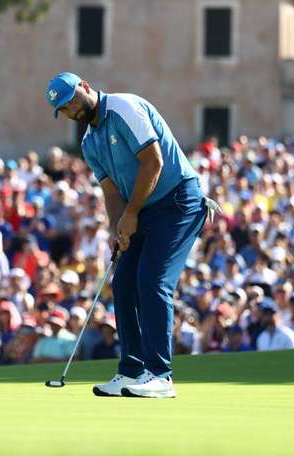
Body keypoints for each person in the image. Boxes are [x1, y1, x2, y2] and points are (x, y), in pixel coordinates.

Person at [47, 72, 208, 398]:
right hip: (143, 209)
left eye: (71, 101)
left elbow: (153, 162)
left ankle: (160, 375)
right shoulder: (89, 142)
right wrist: (116, 228)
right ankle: (131, 369)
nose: (71, 110)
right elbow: (111, 193)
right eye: (63, 109)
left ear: (85, 88)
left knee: (152, 280)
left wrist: (131, 214)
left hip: (178, 201)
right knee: (122, 282)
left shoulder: (123, 107)